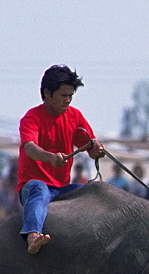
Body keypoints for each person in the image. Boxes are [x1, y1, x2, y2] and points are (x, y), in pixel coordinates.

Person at [17, 64, 105, 255]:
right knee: (39, 188)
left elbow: (90, 148)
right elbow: (29, 148)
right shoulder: (31, 118)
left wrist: (97, 150)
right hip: (33, 186)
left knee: (93, 191)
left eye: (70, 96)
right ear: (47, 93)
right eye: (63, 96)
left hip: (62, 188)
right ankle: (32, 235)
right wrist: (49, 157)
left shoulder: (75, 116)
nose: (68, 100)